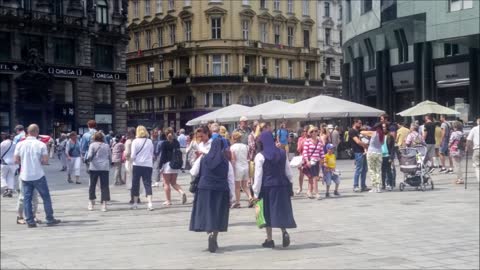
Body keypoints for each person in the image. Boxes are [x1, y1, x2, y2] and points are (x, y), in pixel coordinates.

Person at [189, 138, 235, 253]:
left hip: (204, 188)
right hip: (221, 189)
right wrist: (232, 196)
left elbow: (193, 172)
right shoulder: (226, 162)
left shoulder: (203, 158)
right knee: (218, 213)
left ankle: (209, 233)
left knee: (207, 212)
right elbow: (230, 179)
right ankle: (214, 236)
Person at [253, 131, 296, 248]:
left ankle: (269, 239)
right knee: (280, 210)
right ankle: (284, 231)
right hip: (282, 185)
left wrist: (255, 193)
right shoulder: (282, 153)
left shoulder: (260, 156)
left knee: (267, 212)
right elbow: (289, 172)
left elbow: (258, 176)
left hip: (267, 187)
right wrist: (290, 185)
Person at [14, 124, 61, 228]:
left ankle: (30, 221)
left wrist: (25, 161)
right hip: (38, 174)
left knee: (27, 198)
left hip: (25, 175)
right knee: (46, 197)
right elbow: (45, 161)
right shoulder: (41, 144)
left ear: (27, 132)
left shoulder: (20, 144)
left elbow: (16, 160)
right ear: (36, 132)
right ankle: (49, 218)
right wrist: (38, 161)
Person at [159, 129, 187, 206]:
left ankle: (168, 200)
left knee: (166, 183)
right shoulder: (176, 143)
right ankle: (182, 192)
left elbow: (163, 156)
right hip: (175, 165)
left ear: (166, 134)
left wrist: (160, 166)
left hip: (167, 165)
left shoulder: (164, 143)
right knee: (174, 182)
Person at [130, 126, 154, 211]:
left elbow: (133, 155)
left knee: (136, 184)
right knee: (147, 183)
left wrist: (130, 161)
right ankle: (150, 203)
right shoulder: (150, 141)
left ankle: (135, 203)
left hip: (137, 165)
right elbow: (152, 154)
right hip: (148, 165)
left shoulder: (135, 141)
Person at [86, 132, 111, 211]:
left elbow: (89, 156)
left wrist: (87, 160)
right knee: (104, 186)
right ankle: (104, 205)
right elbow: (109, 156)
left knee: (92, 185)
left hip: (94, 167)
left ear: (94, 138)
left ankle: (91, 202)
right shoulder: (106, 146)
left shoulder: (92, 145)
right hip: (104, 167)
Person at [230, 131, 253, 208]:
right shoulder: (246, 146)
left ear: (233, 138)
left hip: (237, 167)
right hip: (245, 166)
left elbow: (233, 159)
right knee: (245, 186)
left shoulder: (232, 147)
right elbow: (248, 157)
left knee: (237, 187)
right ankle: (250, 197)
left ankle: (237, 202)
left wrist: (232, 170)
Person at [361, 123, 385, 193]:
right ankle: (378, 187)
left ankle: (374, 187)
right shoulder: (382, 135)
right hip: (379, 153)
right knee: (378, 170)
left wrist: (369, 130)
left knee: (372, 170)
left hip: (371, 152)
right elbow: (382, 143)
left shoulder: (373, 133)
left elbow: (361, 132)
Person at [302, 125, 325, 199]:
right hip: (310, 161)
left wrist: (323, 160)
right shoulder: (307, 141)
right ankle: (316, 193)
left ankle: (309, 192)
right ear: (310, 133)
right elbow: (305, 152)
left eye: (316, 131)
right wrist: (307, 161)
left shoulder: (319, 141)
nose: (314, 132)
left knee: (312, 177)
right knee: (314, 177)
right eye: (312, 131)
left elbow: (321, 151)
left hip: (317, 161)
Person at [349, 119, 369, 192]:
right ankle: (355, 185)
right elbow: (357, 141)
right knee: (359, 169)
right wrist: (366, 146)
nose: (360, 125)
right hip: (358, 152)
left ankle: (363, 185)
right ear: (355, 123)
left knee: (364, 169)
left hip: (363, 151)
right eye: (359, 123)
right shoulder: (352, 131)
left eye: (361, 123)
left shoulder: (358, 131)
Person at [124, 127, 140, 204]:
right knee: (137, 180)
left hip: (130, 162)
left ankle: (132, 198)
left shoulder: (128, 142)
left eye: (128, 133)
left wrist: (125, 155)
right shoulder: (138, 141)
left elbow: (127, 154)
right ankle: (138, 197)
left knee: (130, 180)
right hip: (138, 162)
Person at [1, 132, 16, 197]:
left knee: (2, 176)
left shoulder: (3, 143)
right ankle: (10, 190)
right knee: (11, 176)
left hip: (4, 162)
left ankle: (6, 189)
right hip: (13, 163)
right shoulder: (15, 143)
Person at [381, 123, 395, 191]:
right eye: (382, 127)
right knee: (382, 171)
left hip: (387, 155)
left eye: (384, 127)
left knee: (388, 171)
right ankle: (383, 184)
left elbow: (392, 148)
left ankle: (390, 184)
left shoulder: (390, 136)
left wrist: (391, 157)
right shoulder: (380, 136)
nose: (383, 129)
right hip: (381, 155)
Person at [295, 126, 309, 194]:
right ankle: (300, 187)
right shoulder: (300, 139)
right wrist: (302, 142)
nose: (304, 132)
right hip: (302, 158)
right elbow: (298, 149)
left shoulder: (310, 139)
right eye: (303, 131)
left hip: (309, 158)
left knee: (310, 174)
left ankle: (310, 189)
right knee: (301, 174)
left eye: (306, 131)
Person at [466, 117, 479, 183]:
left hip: (477, 149)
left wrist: (467, 147)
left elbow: (469, 139)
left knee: (477, 166)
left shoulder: (474, 129)